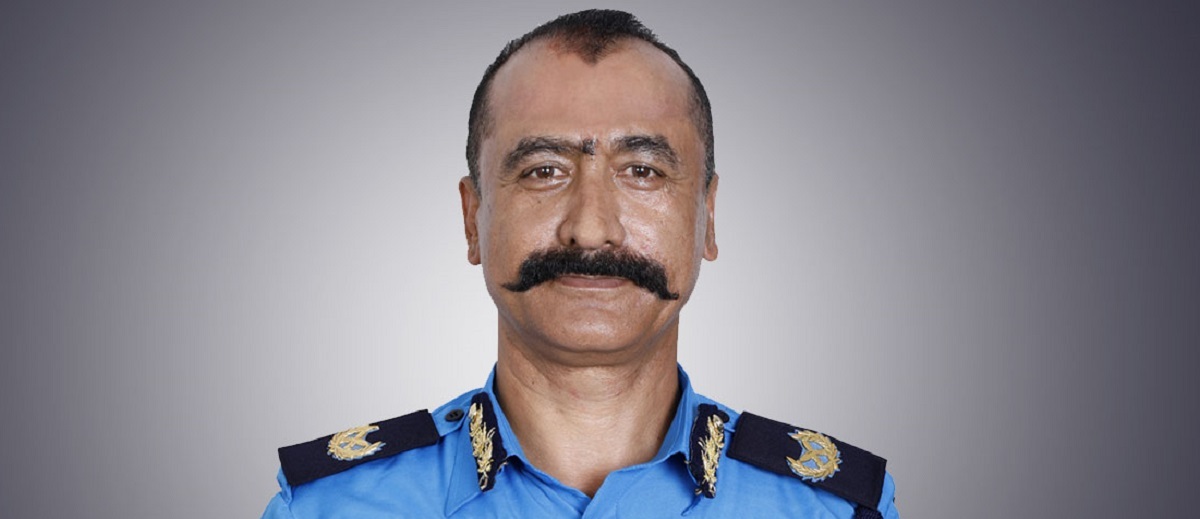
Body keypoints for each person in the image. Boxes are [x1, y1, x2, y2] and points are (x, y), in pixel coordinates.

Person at [261, 9, 898, 518]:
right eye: (544, 171)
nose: (591, 228)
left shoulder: (832, 509)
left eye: (642, 171)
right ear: (472, 218)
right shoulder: (325, 507)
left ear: (707, 216)